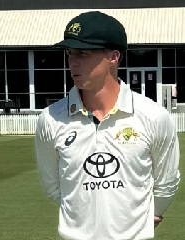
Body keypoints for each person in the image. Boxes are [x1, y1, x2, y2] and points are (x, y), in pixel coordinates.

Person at [35, 11, 180, 240]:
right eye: (70, 53)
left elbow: (166, 182)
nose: (73, 62)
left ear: (113, 56)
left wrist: (140, 221)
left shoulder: (153, 116)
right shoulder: (51, 119)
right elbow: (54, 187)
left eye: (82, 53)